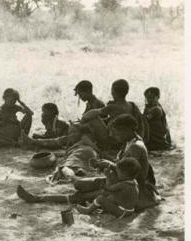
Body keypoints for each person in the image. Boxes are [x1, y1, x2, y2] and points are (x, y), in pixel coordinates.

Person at [17, 114, 160, 210]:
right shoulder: (130, 141)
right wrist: (104, 164)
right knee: (79, 184)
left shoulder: (136, 146)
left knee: (81, 196)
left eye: (116, 133)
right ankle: (40, 197)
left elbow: (128, 173)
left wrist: (108, 166)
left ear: (126, 130)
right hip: (120, 180)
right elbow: (121, 167)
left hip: (132, 188)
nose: (113, 136)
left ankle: (37, 198)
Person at [81, 79, 148, 151]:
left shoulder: (113, 107)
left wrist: (83, 120)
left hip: (114, 140)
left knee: (93, 119)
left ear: (113, 92)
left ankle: (99, 146)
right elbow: (141, 123)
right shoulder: (132, 105)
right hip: (127, 138)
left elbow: (89, 114)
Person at [76, 157, 140, 218]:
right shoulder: (135, 183)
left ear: (124, 174)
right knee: (110, 196)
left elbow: (109, 188)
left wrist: (108, 176)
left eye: (118, 172)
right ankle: (101, 208)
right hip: (130, 211)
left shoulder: (123, 185)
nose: (117, 174)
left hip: (121, 212)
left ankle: (88, 210)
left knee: (101, 198)